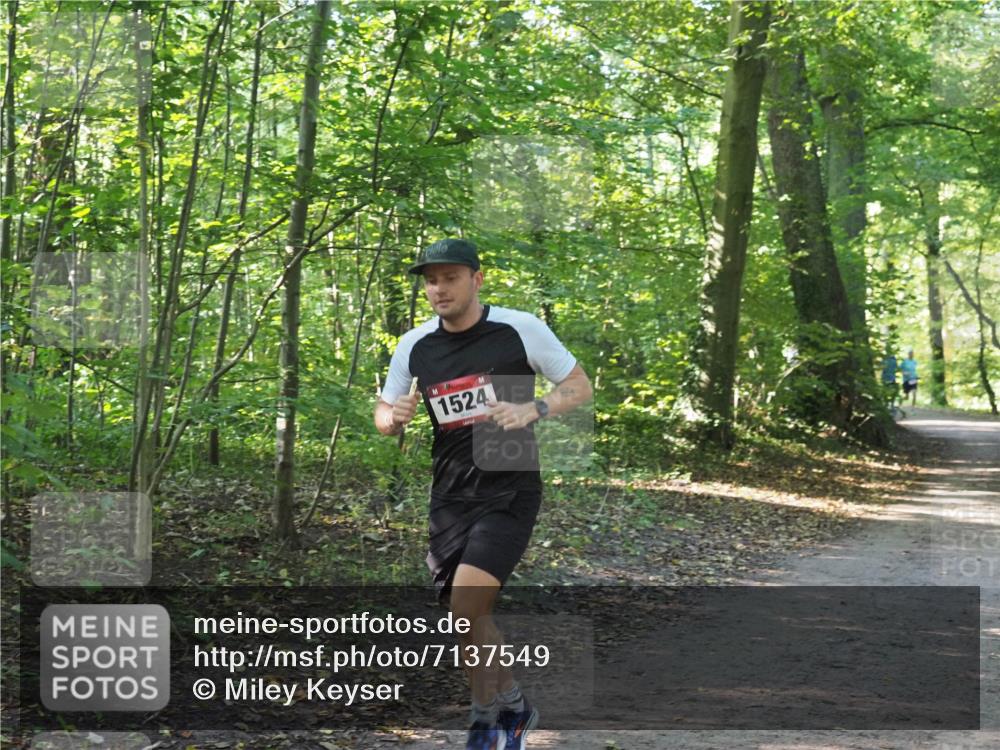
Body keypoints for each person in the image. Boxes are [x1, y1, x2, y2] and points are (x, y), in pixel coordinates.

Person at [374, 238, 593, 750]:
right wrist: (393, 419)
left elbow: (579, 385)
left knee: (469, 603)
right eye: (430, 280)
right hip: (450, 496)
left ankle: (483, 723)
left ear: (476, 278)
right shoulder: (415, 345)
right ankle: (515, 706)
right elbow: (384, 412)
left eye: (450, 277)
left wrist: (533, 409)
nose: (438, 288)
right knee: (464, 615)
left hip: (509, 484)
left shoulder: (520, 329)